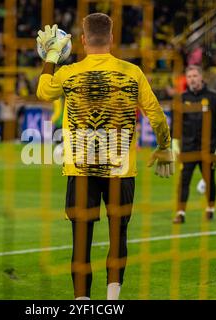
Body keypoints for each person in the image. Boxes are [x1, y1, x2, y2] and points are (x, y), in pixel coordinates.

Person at [36, 14, 173, 300]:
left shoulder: (68, 73)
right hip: (120, 170)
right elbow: (157, 116)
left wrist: (51, 55)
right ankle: (112, 301)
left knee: (81, 240)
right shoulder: (132, 72)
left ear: (83, 40)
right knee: (118, 235)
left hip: (80, 168)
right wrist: (164, 147)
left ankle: (82, 301)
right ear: (111, 39)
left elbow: (42, 91)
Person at [171, 65, 216, 224]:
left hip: (208, 148)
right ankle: (180, 213)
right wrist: (174, 141)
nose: (192, 79)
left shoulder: (214, 97)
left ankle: (210, 208)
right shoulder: (181, 98)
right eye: (189, 76)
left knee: (209, 180)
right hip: (188, 149)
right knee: (183, 181)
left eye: (195, 76)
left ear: (201, 77)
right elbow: (176, 123)